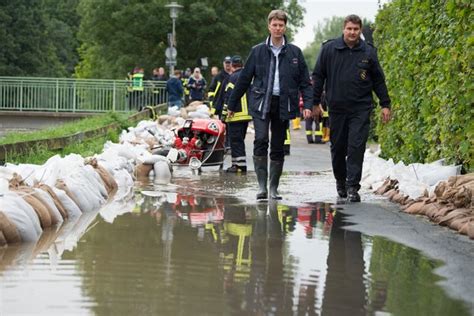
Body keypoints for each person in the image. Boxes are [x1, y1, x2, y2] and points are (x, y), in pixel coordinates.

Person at [227, 9, 313, 201]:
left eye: (281, 25)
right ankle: (261, 187)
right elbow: (244, 79)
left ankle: (273, 188)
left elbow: (305, 82)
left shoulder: (294, 53)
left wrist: (307, 104)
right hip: (261, 103)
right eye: (274, 25)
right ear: (269, 26)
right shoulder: (257, 51)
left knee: (277, 145)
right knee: (261, 139)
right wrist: (232, 105)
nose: (277, 28)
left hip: (284, 103)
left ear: (285, 27)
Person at [312, 14, 391, 202]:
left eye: (356, 29)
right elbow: (318, 77)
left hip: (361, 109)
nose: (352, 32)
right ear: (343, 29)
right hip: (337, 108)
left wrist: (385, 104)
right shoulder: (329, 49)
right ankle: (341, 181)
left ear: (360, 31)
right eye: (349, 29)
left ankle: (353, 187)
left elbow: (379, 80)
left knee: (356, 147)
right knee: (338, 148)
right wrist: (314, 103)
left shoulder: (368, 52)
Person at [222, 55, 252, 173]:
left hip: (235, 115)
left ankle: (239, 166)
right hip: (247, 115)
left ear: (232, 66)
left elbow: (228, 97)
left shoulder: (232, 77)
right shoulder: (248, 76)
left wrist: (223, 115)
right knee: (240, 140)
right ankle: (237, 164)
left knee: (235, 141)